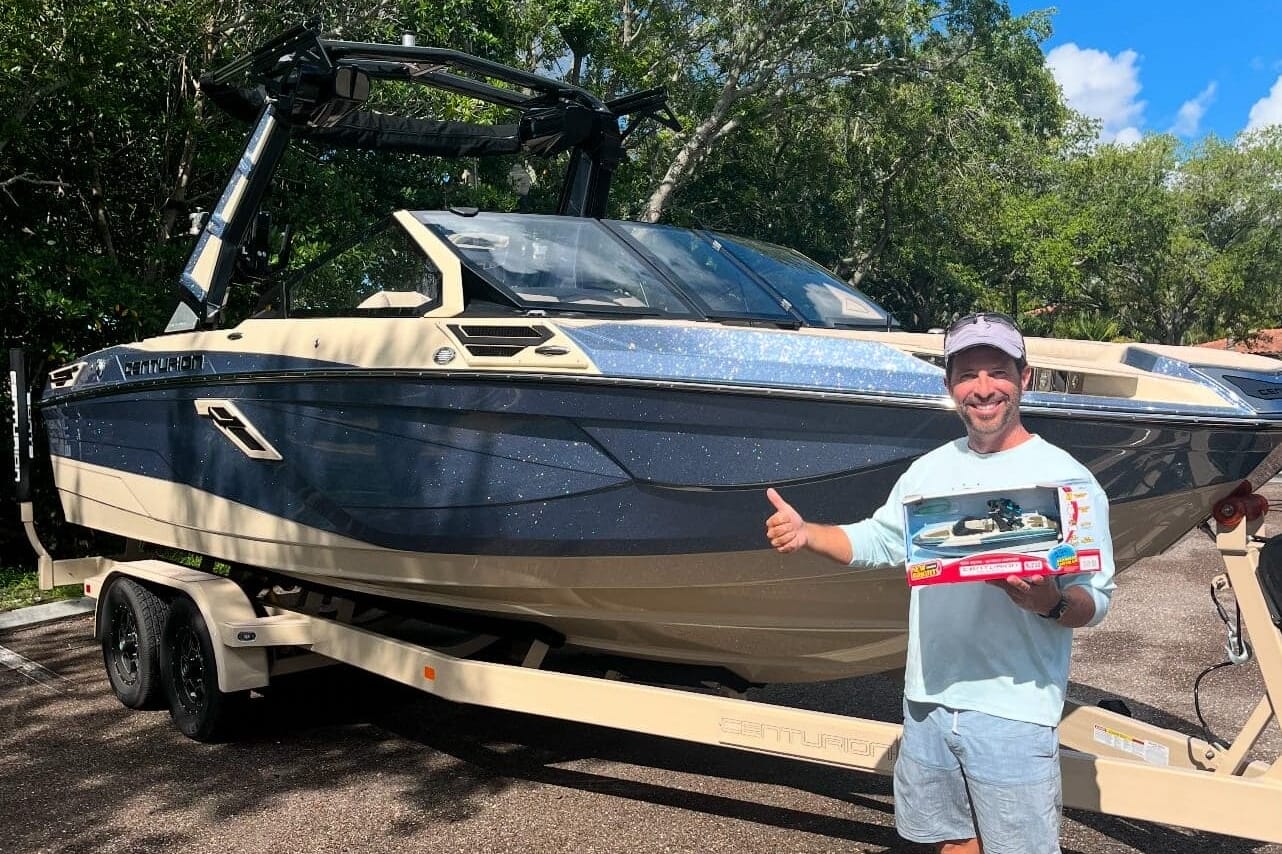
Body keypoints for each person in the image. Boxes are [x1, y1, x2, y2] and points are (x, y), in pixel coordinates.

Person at [764, 312, 1115, 854]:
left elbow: (1095, 598)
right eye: (965, 373)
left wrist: (1050, 602)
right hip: (927, 699)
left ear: (1025, 378)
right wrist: (806, 532)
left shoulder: (1067, 479)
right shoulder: (928, 472)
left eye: (996, 371)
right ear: (949, 385)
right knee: (949, 842)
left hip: (1014, 711)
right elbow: (880, 542)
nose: (981, 388)